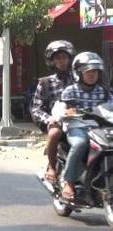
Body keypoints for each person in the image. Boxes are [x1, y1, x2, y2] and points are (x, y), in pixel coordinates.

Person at [55, 51, 110, 202]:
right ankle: (69, 182)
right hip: (77, 127)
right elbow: (60, 109)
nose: (92, 75)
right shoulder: (70, 90)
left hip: (100, 128)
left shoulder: (104, 92)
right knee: (80, 143)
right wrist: (67, 111)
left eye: (95, 71)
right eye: (88, 71)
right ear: (79, 73)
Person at [31, 40, 76, 185]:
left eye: (64, 57)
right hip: (57, 121)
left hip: (79, 119)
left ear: (70, 59)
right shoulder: (45, 82)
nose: (62, 61)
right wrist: (49, 119)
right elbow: (36, 109)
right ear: (52, 61)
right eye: (58, 58)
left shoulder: (79, 79)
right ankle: (51, 167)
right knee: (54, 133)